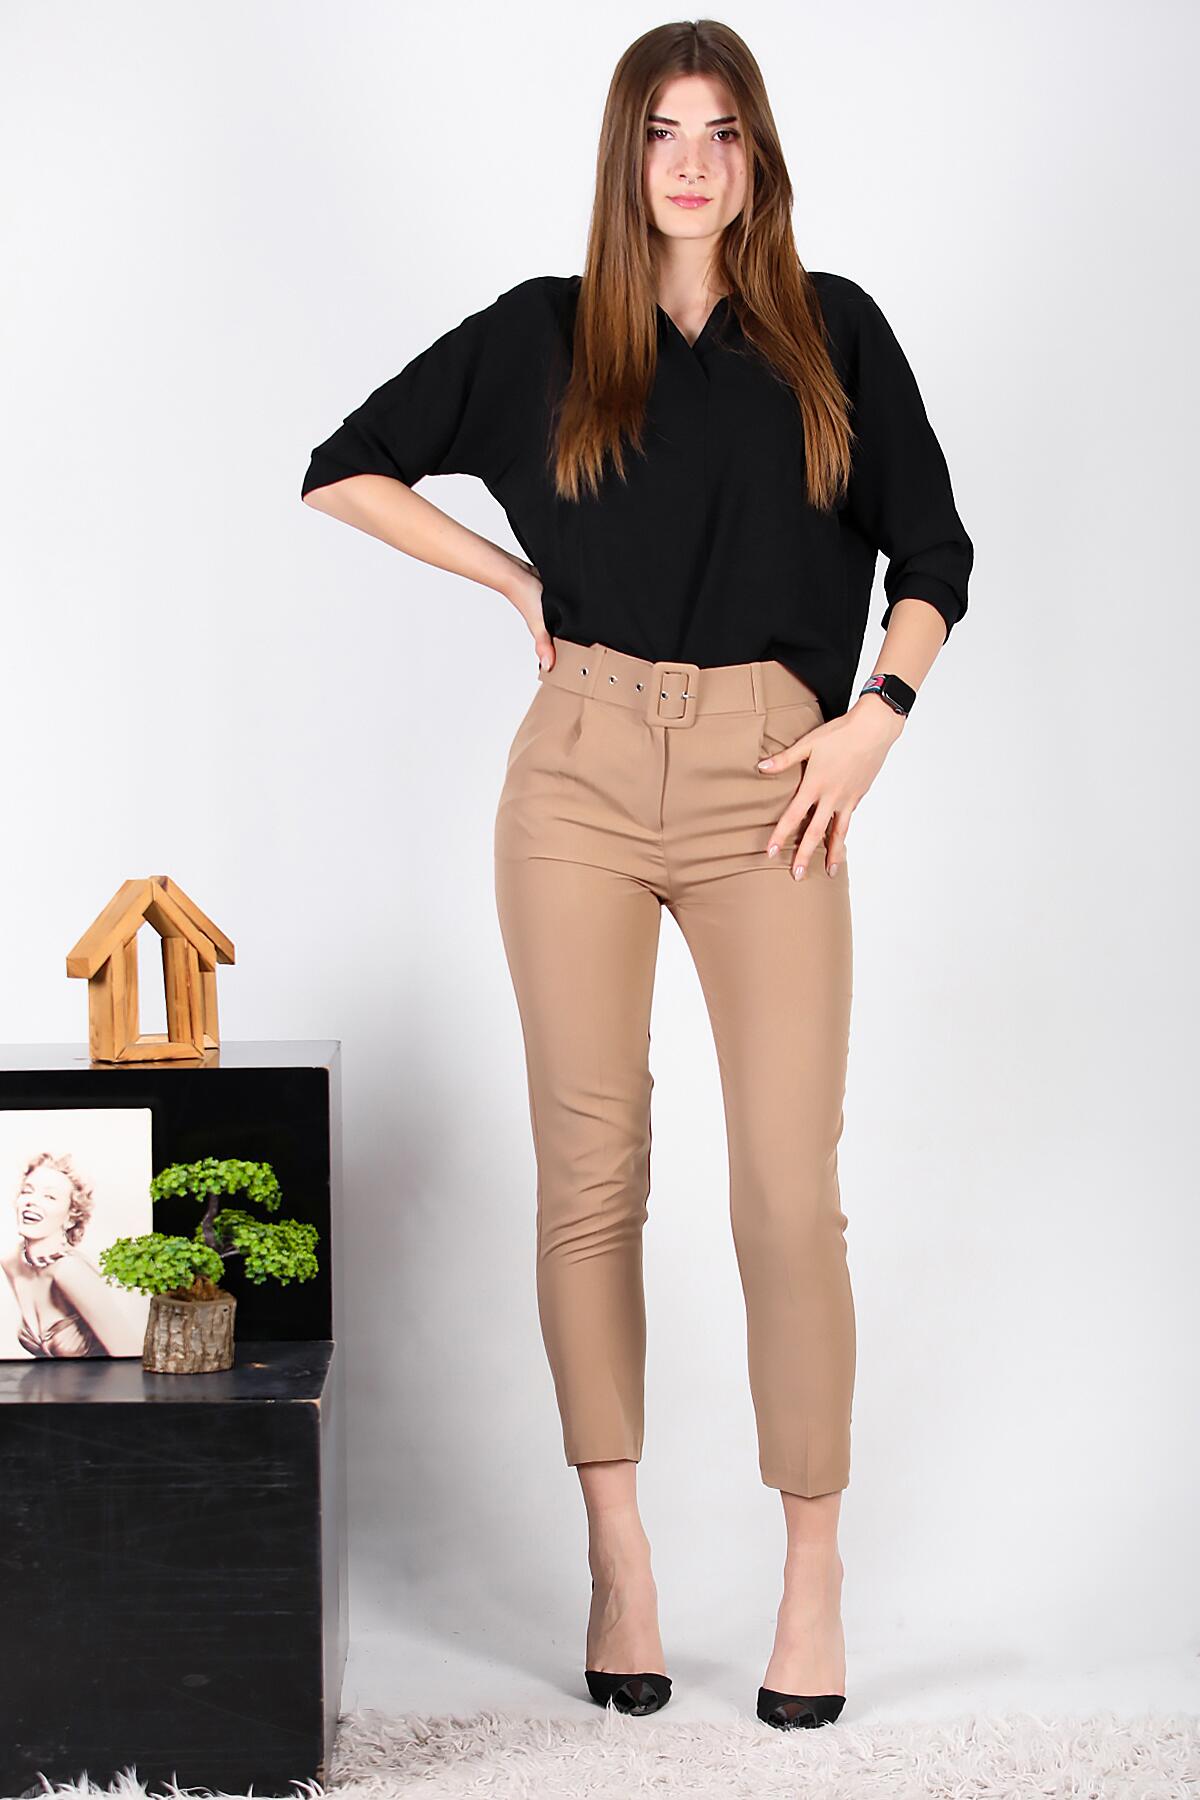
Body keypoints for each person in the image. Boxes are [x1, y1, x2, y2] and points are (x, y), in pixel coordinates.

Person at [300, 19, 973, 1732]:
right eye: (663, 129)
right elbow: (343, 468)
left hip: (775, 779)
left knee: (785, 1188)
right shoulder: (545, 334)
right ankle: (621, 1559)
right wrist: (511, 579)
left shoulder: (833, 333)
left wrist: (875, 719)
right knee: (591, 1176)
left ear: (757, 156)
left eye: (721, 129)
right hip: (580, 773)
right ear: (627, 155)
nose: (691, 160)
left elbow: (934, 553)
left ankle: (813, 1575)